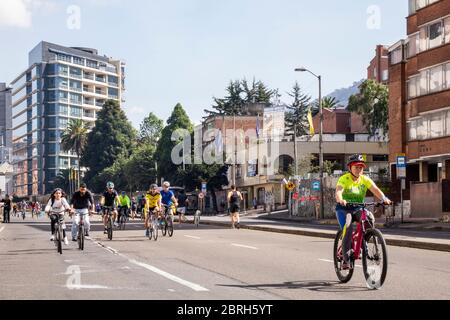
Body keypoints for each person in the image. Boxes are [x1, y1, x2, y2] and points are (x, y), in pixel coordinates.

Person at [335, 154, 392, 270]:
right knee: (348, 228)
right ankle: (345, 259)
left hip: (357, 208)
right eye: (356, 167)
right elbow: (338, 191)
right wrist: (341, 200)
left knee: (369, 218)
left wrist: (384, 198)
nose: (359, 169)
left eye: (361, 167)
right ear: (350, 168)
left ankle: (361, 245)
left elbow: (375, 189)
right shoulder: (344, 179)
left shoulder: (365, 179)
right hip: (344, 209)